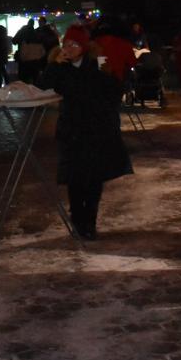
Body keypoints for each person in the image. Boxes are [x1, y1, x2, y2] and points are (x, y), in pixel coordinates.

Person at [39, 25, 132, 239]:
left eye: (74, 44)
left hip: (96, 128)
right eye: (66, 44)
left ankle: (90, 221)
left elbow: (114, 87)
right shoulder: (60, 67)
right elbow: (44, 85)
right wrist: (54, 65)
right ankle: (77, 218)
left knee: (94, 177)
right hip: (72, 129)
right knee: (75, 177)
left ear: (84, 46)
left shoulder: (97, 62)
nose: (69, 48)